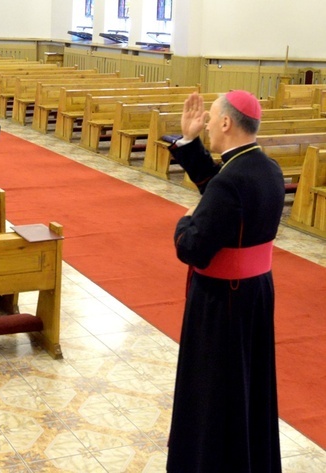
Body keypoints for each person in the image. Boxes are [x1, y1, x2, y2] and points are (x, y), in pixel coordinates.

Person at [166, 90, 284, 472]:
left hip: (222, 302)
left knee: (214, 392)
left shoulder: (231, 182)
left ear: (227, 123)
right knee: (249, 386)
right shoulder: (267, 168)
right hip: (256, 293)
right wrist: (189, 142)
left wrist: (184, 222)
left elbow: (193, 248)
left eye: (210, 118)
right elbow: (219, 188)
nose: (207, 123)